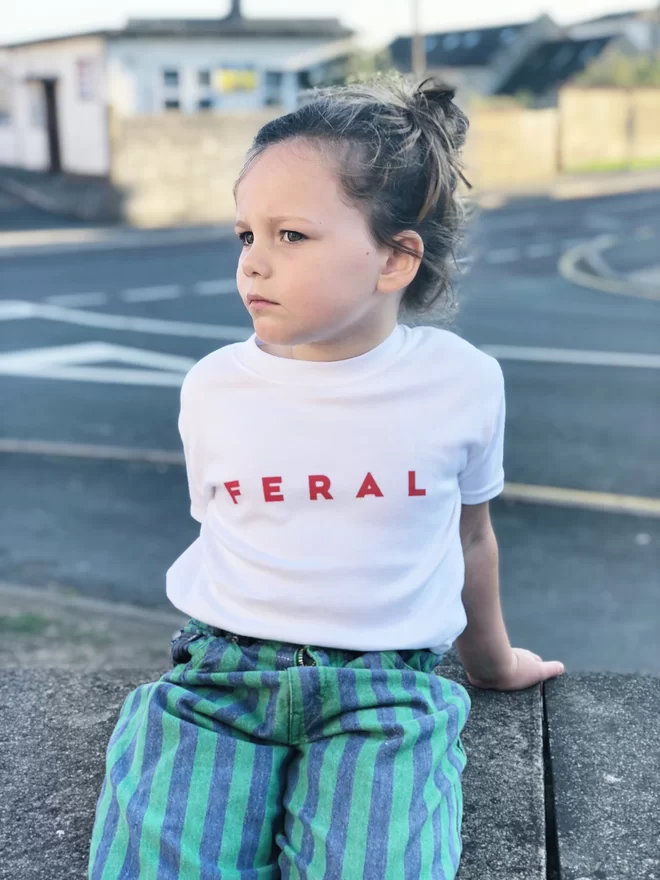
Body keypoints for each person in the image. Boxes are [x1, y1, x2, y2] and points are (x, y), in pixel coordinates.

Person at [88, 72, 565, 879]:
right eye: (246, 235)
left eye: (291, 237)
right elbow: (227, 535)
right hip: (219, 679)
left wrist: (492, 661)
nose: (254, 265)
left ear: (394, 258)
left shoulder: (463, 381)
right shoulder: (213, 386)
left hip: (385, 694)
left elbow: (472, 536)